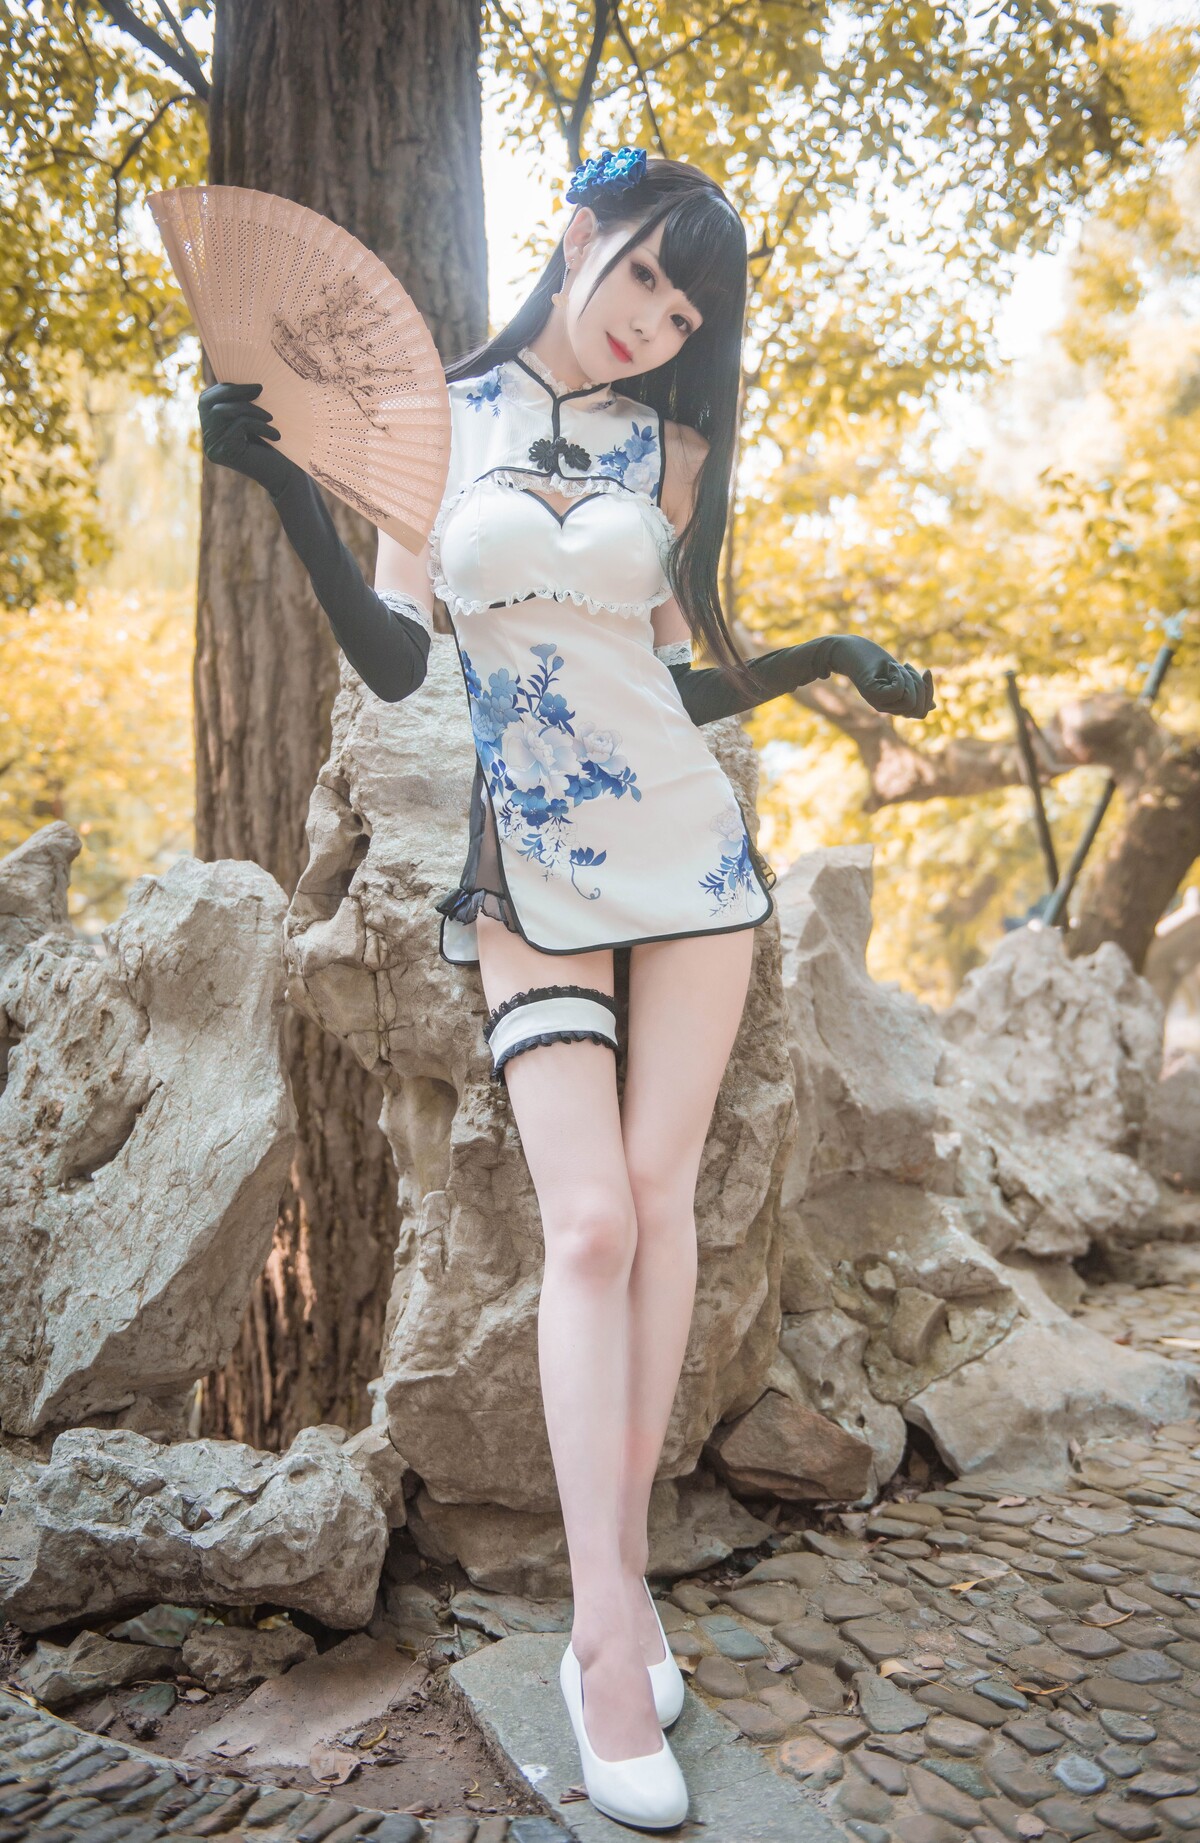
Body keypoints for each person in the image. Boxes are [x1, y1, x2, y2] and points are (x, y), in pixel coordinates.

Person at [198, 146, 934, 1832]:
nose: (656, 327)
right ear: (581, 233)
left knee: (661, 1210)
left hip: (690, 859)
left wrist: (827, 659)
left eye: (686, 318)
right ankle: (610, 1633)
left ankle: (622, 1606)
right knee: (589, 1225)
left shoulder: (670, 450)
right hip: (526, 861)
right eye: (649, 279)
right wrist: (289, 490)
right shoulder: (423, 423)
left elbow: (675, 679)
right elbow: (400, 658)